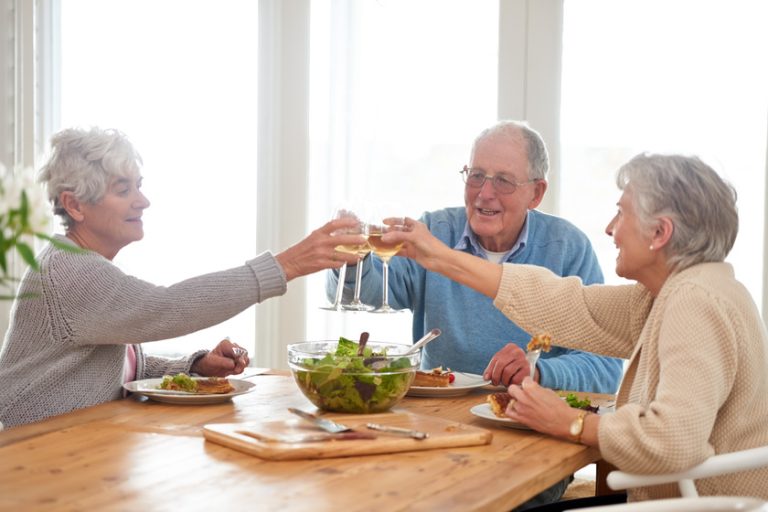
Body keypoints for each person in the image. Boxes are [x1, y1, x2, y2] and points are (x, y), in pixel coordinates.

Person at [383, 153, 768, 505]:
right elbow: (567, 305)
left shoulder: (694, 303)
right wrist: (441, 257)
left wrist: (570, 420)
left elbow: (673, 442)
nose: (610, 228)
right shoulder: (674, 293)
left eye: (621, 214)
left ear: (659, 233)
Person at [0, 127, 364, 429]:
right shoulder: (69, 269)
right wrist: (287, 264)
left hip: (72, 448)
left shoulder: (82, 264)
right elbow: (164, 307)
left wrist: (194, 366)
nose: (142, 201)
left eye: (138, 185)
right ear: (75, 205)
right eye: (123, 190)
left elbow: (110, 363)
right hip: (31, 454)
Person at [327, 120, 623, 394]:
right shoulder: (436, 230)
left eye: (504, 181)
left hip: (531, 419)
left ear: (536, 192)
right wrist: (353, 262)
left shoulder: (568, 247)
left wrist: (539, 372)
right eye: (477, 176)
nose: (485, 193)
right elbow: (372, 294)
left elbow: (606, 368)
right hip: (442, 412)